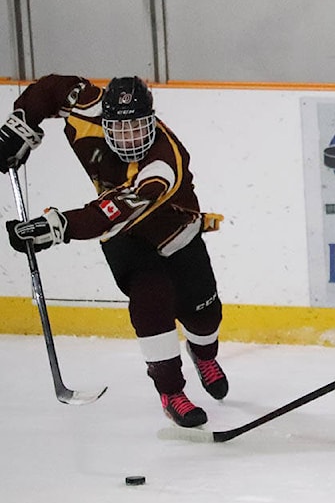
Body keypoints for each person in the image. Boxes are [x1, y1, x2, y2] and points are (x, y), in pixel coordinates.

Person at [1, 75, 228, 428]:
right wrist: (20, 125)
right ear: (104, 121)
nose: (130, 138)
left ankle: (204, 354)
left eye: (138, 127)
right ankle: (171, 392)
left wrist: (55, 227)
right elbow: (49, 90)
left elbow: (111, 210)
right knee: (150, 301)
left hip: (176, 233)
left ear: (152, 119)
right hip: (125, 241)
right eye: (120, 129)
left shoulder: (163, 164)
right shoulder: (86, 105)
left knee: (205, 316)